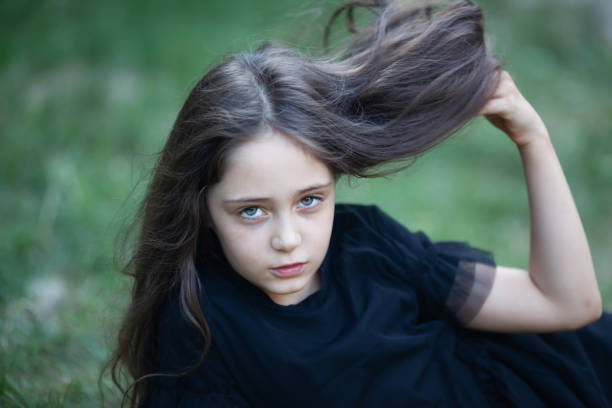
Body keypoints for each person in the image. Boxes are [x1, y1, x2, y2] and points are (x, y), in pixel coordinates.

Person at [106, 0, 612, 406]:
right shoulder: (199, 324)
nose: (288, 240)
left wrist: (532, 139)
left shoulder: (368, 244)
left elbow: (568, 304)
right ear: (202, 209)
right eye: (251, 211)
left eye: (309, 200)